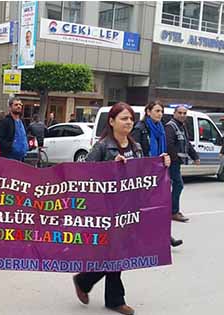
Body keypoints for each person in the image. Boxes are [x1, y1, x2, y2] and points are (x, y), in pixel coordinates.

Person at [73, 102, 171, 315]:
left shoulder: (135, 147)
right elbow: (85, 173)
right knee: (115, 252)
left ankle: (85, 280)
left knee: (117, 253)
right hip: (105, 211)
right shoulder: (102, 147)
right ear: (112, 121)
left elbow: (144, 174)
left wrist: (161, 164)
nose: (128, 122)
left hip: (129, 210)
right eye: (123, 118)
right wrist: (110, 168)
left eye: (130, 119)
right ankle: (112, 297)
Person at [132, 101, 183, 247]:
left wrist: (164, 159)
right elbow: (136, 153)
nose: (160, 114)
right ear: (148, 112)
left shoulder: (161, 128)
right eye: (157, 111)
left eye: (161, 111)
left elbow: (164, 149)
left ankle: (165, 236)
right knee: (143, 209)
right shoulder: (140, 128)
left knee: (159, 207)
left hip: (158, 173)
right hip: (144, 174)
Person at [165, 105, 200, 222]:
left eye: (184, 113)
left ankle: (171, 210)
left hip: (176, 163)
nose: (182, 115)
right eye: (180, 113)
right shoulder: (170, 126)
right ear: (174, 113)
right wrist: (175, 159)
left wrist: (195, 157)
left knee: (174, 186)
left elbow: (187, 144)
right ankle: (173, 212)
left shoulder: (182, 126)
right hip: (172, 163)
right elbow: (169, 145)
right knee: (178, 185)